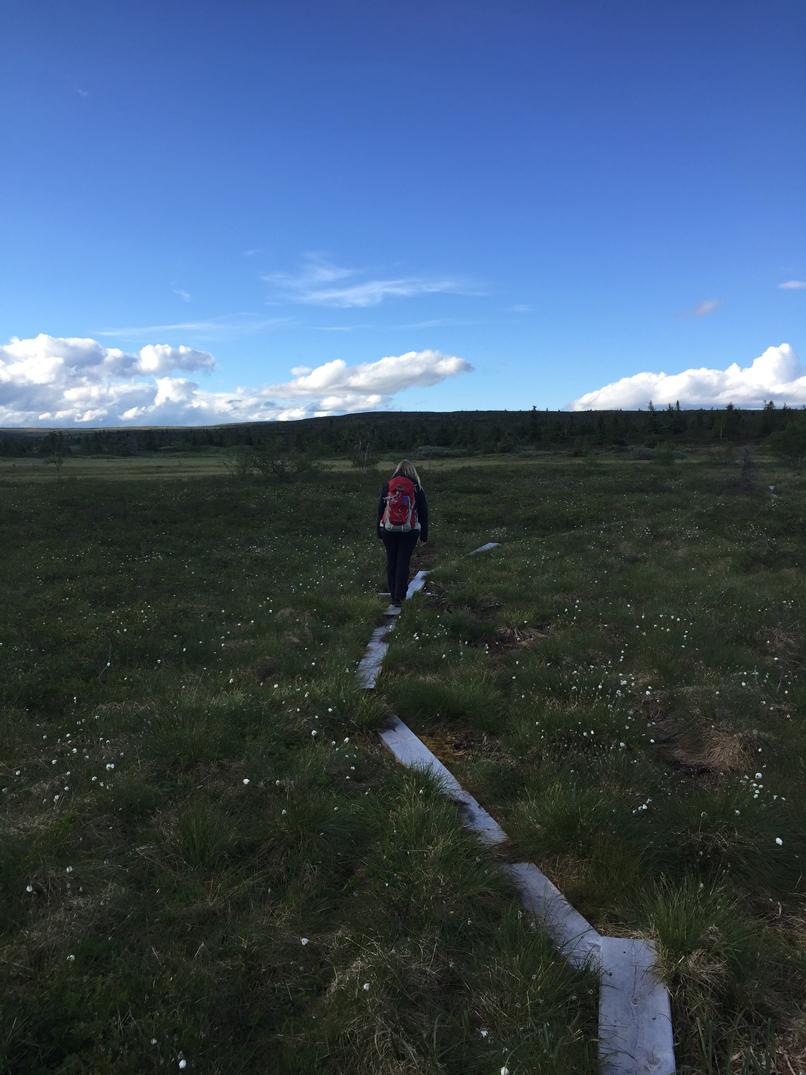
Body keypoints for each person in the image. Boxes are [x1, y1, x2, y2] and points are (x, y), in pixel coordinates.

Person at [376, 460, 428, 608]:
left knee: (391, 560)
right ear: (412, 471)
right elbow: (423, 513)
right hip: (410, 530)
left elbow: (381, 509)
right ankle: (400, 595)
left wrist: (379, 531)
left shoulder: (389, 485)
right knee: (403, 561)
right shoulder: (417, 488)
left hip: (388, 529)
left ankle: (393, 596)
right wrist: (424, 535)